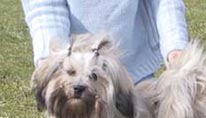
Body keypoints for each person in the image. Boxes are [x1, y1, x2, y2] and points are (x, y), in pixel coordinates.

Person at [21, 0, 189, 84]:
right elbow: (45, 7)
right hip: (74, 75)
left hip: (136, 73)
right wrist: (49, 58)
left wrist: (176, 48)